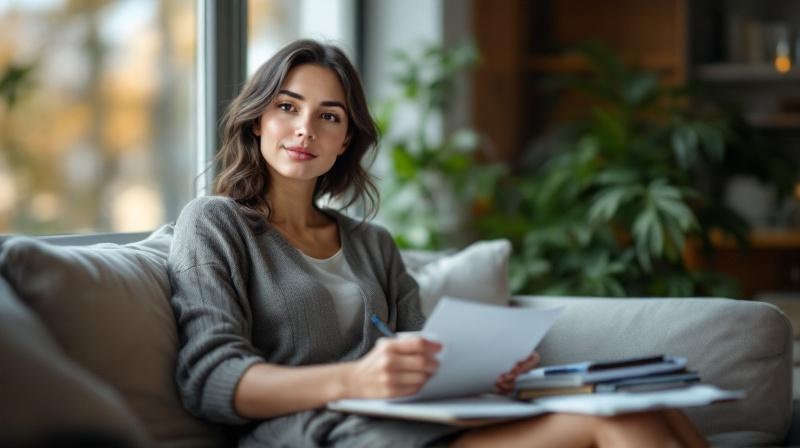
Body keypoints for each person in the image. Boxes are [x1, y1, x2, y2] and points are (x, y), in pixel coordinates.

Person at [168, 39, 709, 447]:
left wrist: (482, 369)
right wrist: (357, 379)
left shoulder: (372, 244)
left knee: (654, 408)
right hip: (317, 433)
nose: (305, 128)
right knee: (625, 422)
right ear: (257, 120)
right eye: (287, 107)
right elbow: (211, 381)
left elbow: (425, 354)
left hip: (412, 423)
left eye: (328, 116)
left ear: (345, 140)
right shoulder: (215, 224)